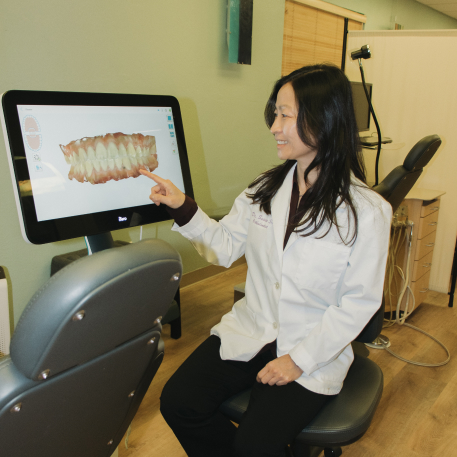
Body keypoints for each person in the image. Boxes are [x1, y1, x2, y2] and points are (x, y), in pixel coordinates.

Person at [140, 64, 392, 457]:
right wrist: (182, 206)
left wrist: (298, 361)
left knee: (255, 445)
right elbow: (223, 246)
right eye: (275, 114)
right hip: (253, 329)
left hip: (311, 347)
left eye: (285, 115)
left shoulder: (367, 211)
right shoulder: (265, 188)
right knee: (179, 402)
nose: (274, 126)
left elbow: (358, 304)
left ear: (324, 120)